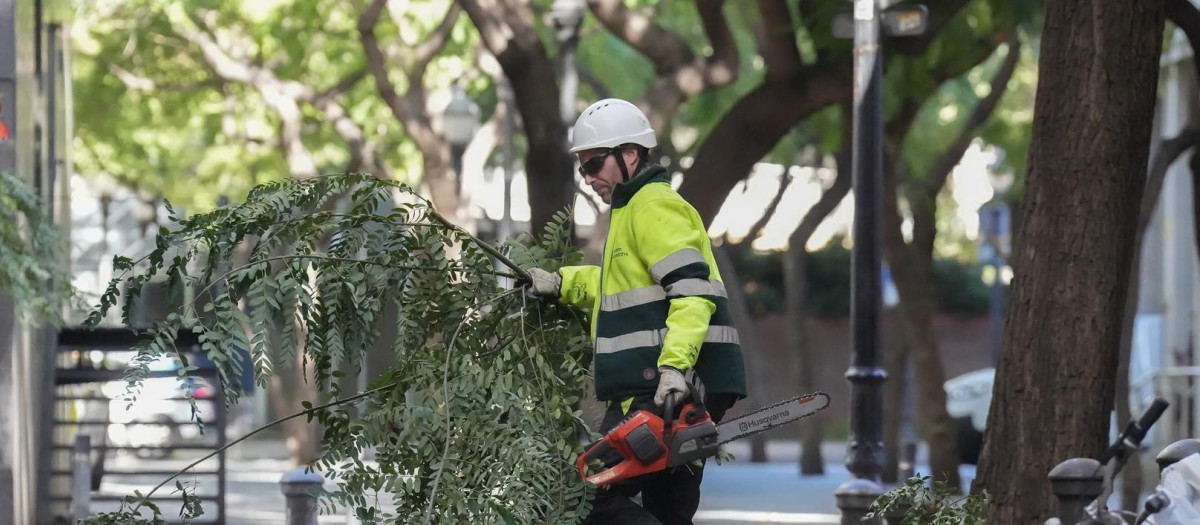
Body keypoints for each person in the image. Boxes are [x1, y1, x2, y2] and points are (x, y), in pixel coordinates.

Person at [524, 98, 746, 525]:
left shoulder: (652, 207)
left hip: (664, 388)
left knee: (587, 496)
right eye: (582, 167)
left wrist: (674, 369)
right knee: (669, 509)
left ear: (629, 155)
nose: (587, 178)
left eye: (594, 164)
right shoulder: (630, 213)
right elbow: (620, 289)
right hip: (665, 386)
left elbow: (692, 292)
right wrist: (561, 283)